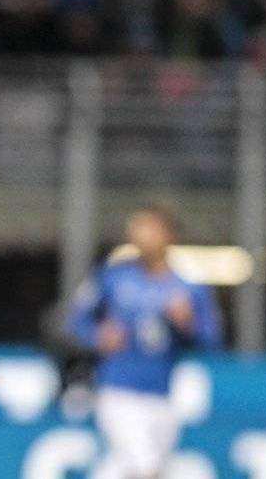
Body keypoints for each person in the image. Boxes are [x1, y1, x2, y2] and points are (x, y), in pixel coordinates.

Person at [65, 205, 221, 479]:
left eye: (149, 229)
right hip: (119, 392)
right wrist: (97, 335)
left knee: (128, 469)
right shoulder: (112, 277)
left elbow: (211, 337)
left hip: (162, 396)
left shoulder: (188, 288)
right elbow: (76, 318)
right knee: (145, 468)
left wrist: (186, 323)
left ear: (169, 235)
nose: (140, 236)